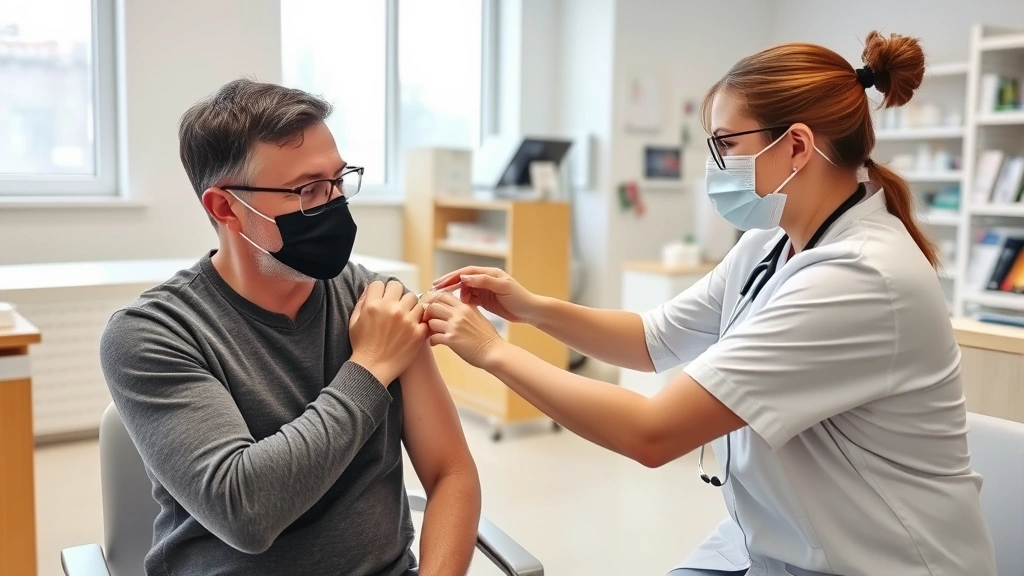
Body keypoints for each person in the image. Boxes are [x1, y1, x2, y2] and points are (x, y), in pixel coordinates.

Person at [423, 31, 997, 576]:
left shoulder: (861, 276)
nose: (716, 165)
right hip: (784, 540)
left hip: (878, 560)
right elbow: (654, 340)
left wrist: (493, 353)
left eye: (726, 144)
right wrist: (532, 308)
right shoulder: (772, 244)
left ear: (795, 145)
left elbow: (652, 433)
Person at [100, 79, 480, 576]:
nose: (334, 203)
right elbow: (246, 512)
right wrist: (369, 367)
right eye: (308, 190)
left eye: (339, 181)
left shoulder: (375, 303)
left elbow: (450, 473)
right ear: (225, 207)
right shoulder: (154, 334)